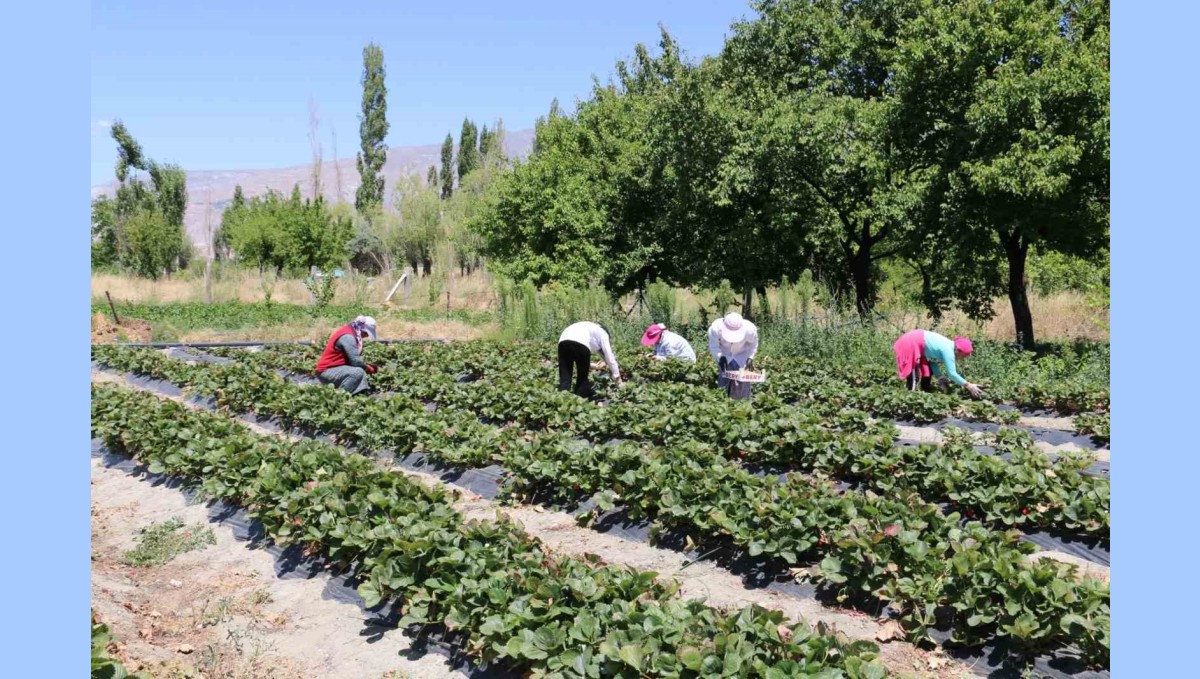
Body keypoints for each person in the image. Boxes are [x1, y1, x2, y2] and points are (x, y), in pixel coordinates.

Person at [893, 329, 983, 398]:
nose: (962, 359)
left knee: (927, 370)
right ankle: (909, 398)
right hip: (911, 342)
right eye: (963, 356)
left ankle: (925, 392)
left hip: (917, 341)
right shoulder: (948, 351)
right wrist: (969, 385)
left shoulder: (949, 346)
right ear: (959, 351)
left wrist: (939, 376)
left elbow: (932, 362)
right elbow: (952, 374)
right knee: (914, 377)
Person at [314, 316, 379, 395]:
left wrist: (367, 366)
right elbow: (356, 362)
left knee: (359, 372)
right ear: (361, 328)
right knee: (357, 373)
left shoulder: (352, 331)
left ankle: (355, 395)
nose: (367, 336)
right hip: (326, 371)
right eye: (366, 333)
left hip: (336, 368)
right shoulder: (348, 337)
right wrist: (369, 368)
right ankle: (339, 398)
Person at [557, 321, 622, 397]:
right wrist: (617, 376)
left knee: (565, 375)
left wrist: (594, 365)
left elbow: (579, 359)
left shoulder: (589, 328)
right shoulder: (603, 333)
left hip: (563, 341)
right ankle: (579, 398)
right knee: (582, 379)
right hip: (580, 343)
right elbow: (609, 355)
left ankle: (562, 400)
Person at [707, 312, 759, 399]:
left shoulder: (749, 330)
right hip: (724, 354)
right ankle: (722, 400)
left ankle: (741, 402)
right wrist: (720, 357)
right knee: (724, 378)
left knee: (742, 381)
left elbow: (753, 345)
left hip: (742, 355)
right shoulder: (715, 329)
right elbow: (714, 346)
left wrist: (750, 357)